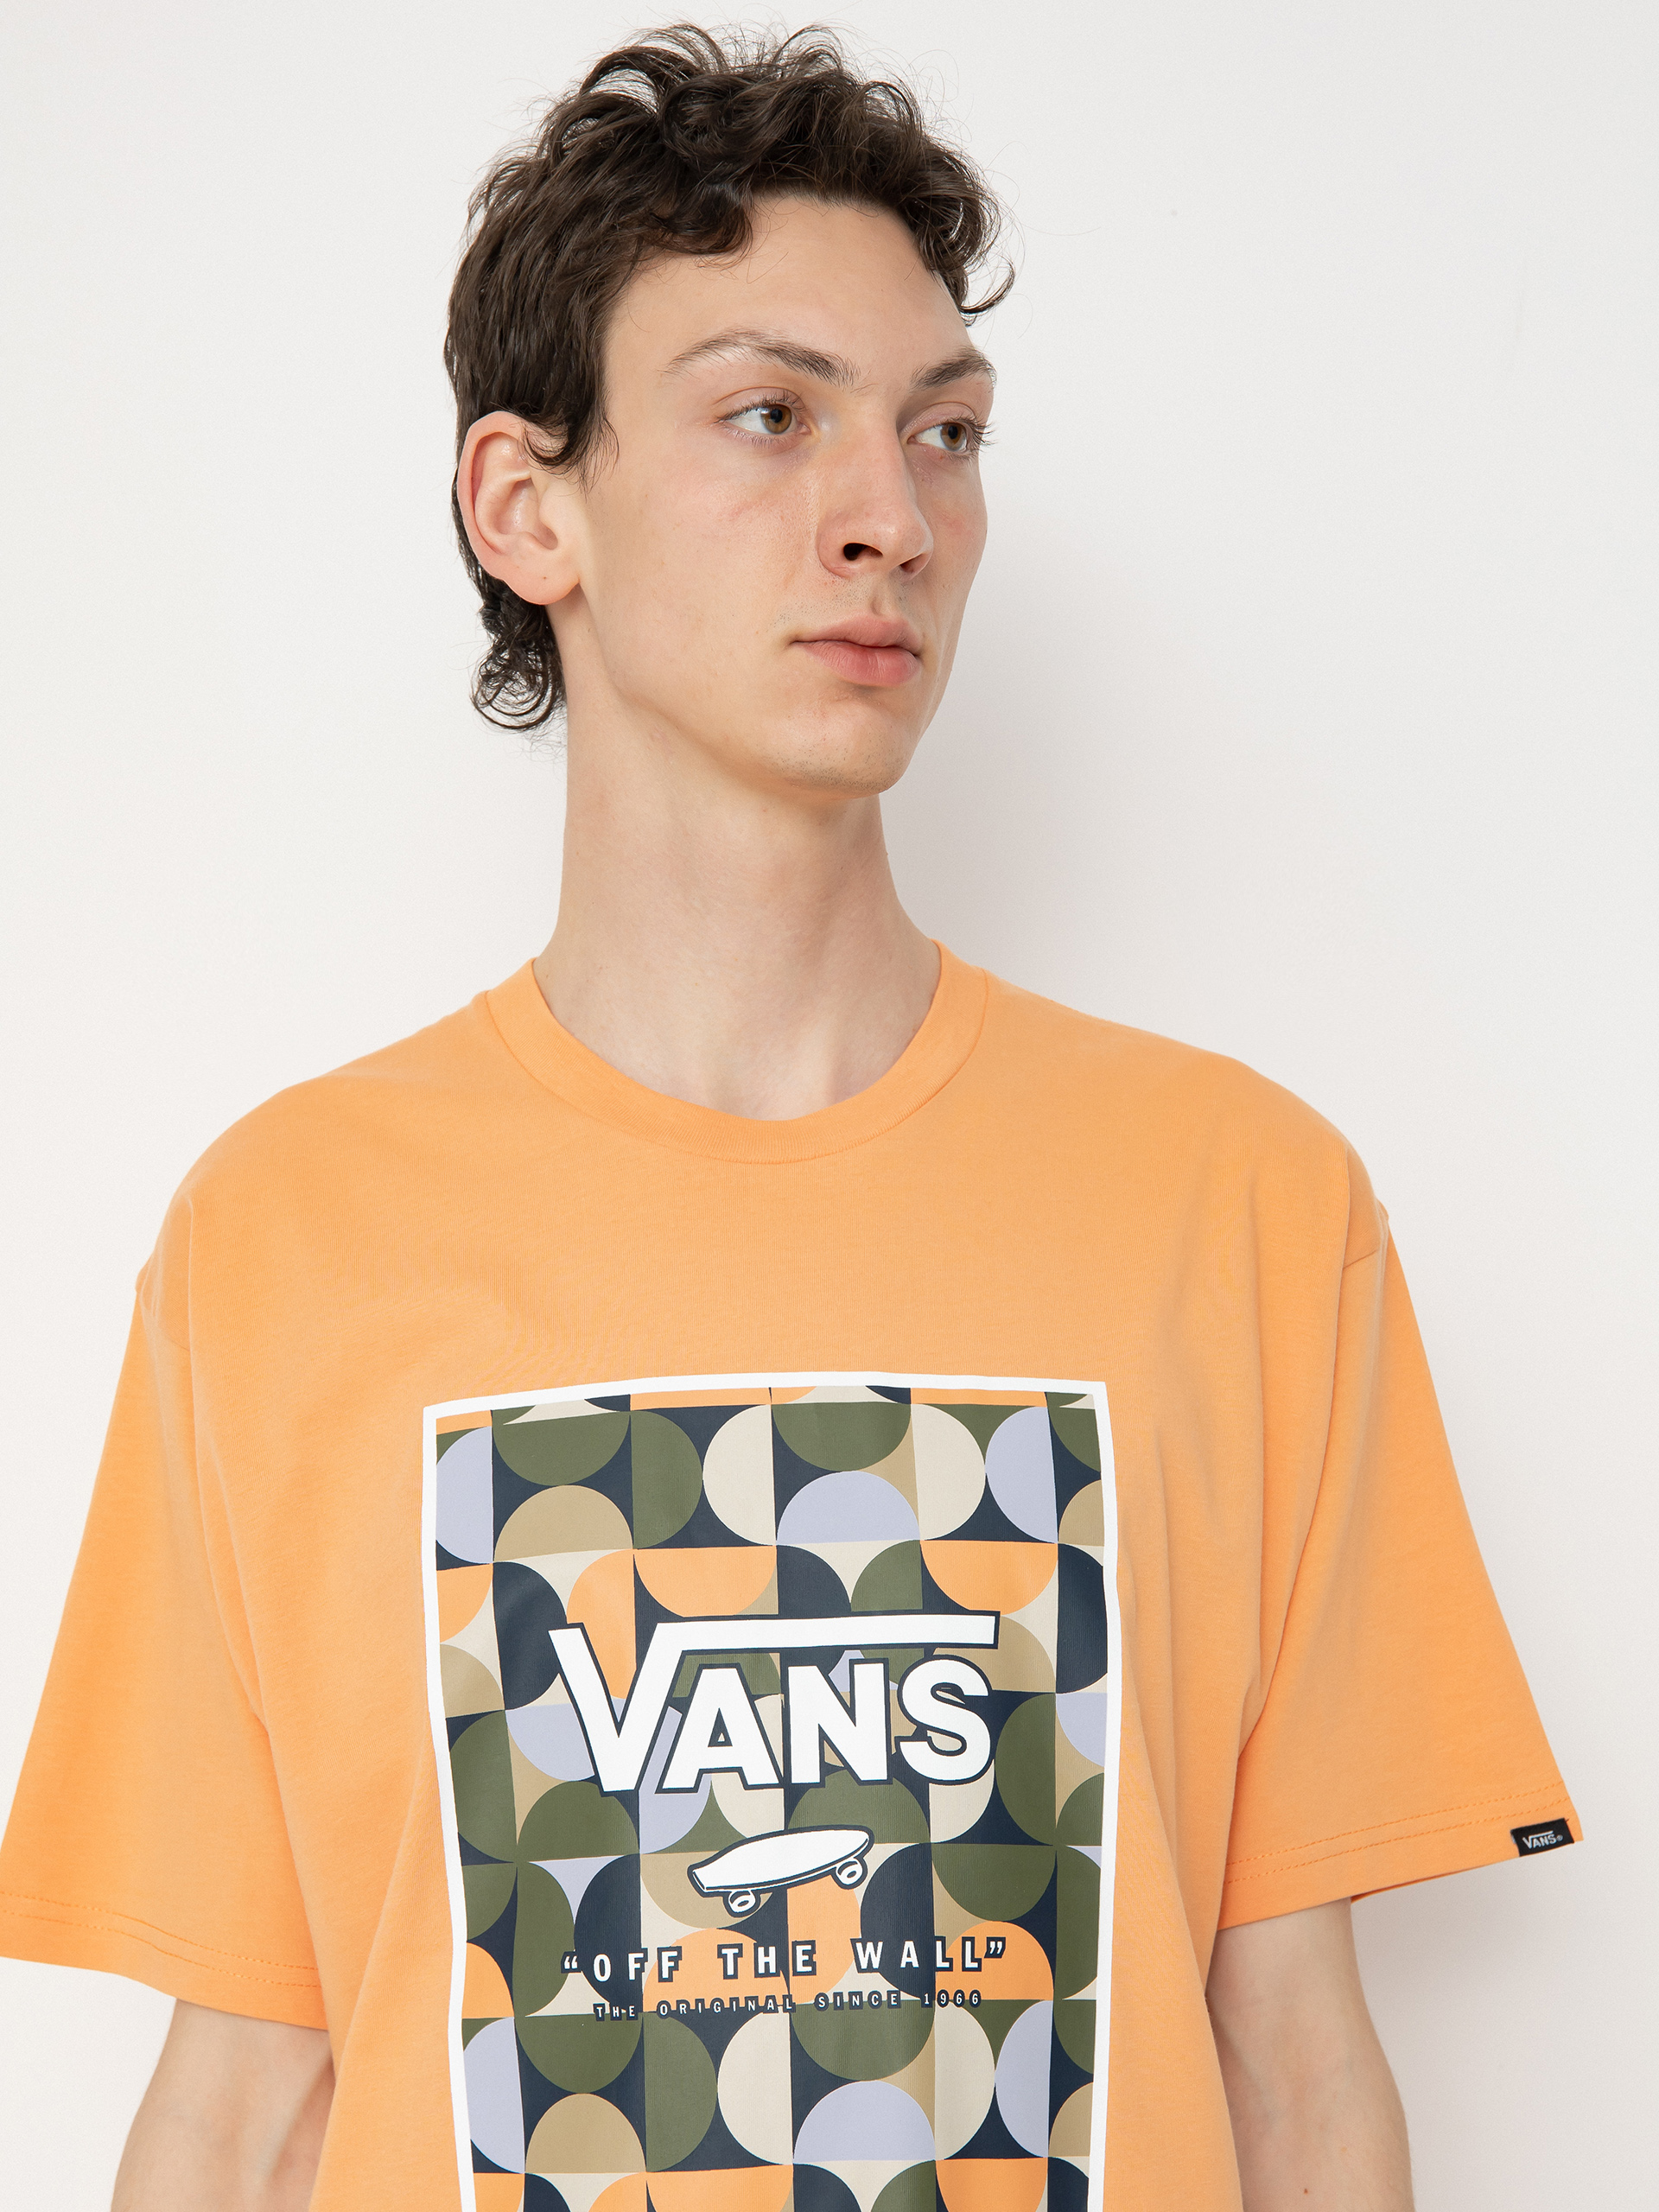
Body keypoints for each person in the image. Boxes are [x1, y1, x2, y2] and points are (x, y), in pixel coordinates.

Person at [0, 25, 1577, 2212]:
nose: (891, 518)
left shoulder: (1241, 1205)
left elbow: (1298, 2066)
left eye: (947, 433)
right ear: (525, 505)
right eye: (771, 414)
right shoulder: (283, 1237)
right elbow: (250, 2095)